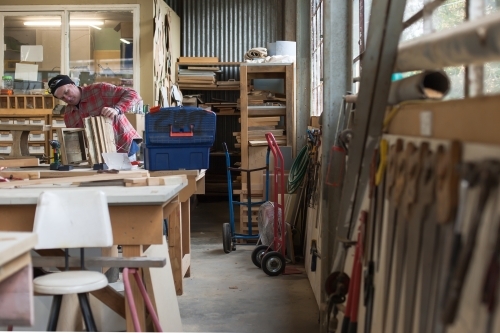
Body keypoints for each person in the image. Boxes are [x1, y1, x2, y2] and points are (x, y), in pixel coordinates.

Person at [47, 74, 142, 160]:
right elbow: (76, 140)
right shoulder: (68, 114)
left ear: (73, 84)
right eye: (62, 98)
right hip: (100, 155)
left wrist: (116, 109)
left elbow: (133, 94)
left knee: (125, 178)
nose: (67, 98)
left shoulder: (99, 90)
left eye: (66, 92)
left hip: (123, 146)